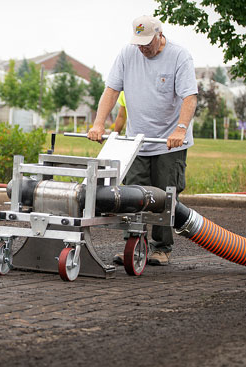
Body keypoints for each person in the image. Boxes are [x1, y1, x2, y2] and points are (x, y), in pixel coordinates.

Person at [87, 15, 198, 266]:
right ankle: (135, 245)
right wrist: (98, 123)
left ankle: (162, 248)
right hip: (137, 140)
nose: (143, 48)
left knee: (165, 195)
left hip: (169, 142)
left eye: (147, 42)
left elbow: (189, 97)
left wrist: (180, 130)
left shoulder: (179, 56)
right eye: (139, 43)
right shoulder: (128, 54)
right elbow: (111, 90)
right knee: (131, 195)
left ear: (160, 35)